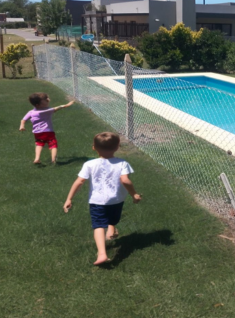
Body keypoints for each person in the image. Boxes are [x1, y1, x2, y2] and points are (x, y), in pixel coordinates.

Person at [63, 132, 142, 265]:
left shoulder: (89, 164)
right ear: (117, 147)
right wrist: (134, 194)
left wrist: (69, 198)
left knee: (98, 225)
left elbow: (79, 181)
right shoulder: (122, 163)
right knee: (114, 218)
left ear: (94, 147)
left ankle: (102, 254)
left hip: (97, 200)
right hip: (116, 199)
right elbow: (125, 180)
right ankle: (112, 228)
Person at [19, 93, 74, 164]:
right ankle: (53, 160)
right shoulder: (47, 111)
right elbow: (57, 108)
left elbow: (23, 120)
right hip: (48, 131)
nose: (48, 100)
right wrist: (66, 105)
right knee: (53, 144)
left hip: (37, 132)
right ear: (38, 105)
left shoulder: (31, 112)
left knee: (39, 144)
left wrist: (22, 126)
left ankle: (37, 158)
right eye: (45, 100)